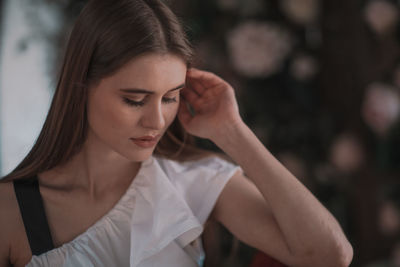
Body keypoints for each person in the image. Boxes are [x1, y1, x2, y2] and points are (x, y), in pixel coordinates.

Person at [0, 0, 354, 266]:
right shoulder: (10, 211)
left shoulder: (191, 182)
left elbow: (329, 256)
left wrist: (232, 131)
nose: (156, 121)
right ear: (81, 87)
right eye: (135, 100)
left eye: (170, 97)